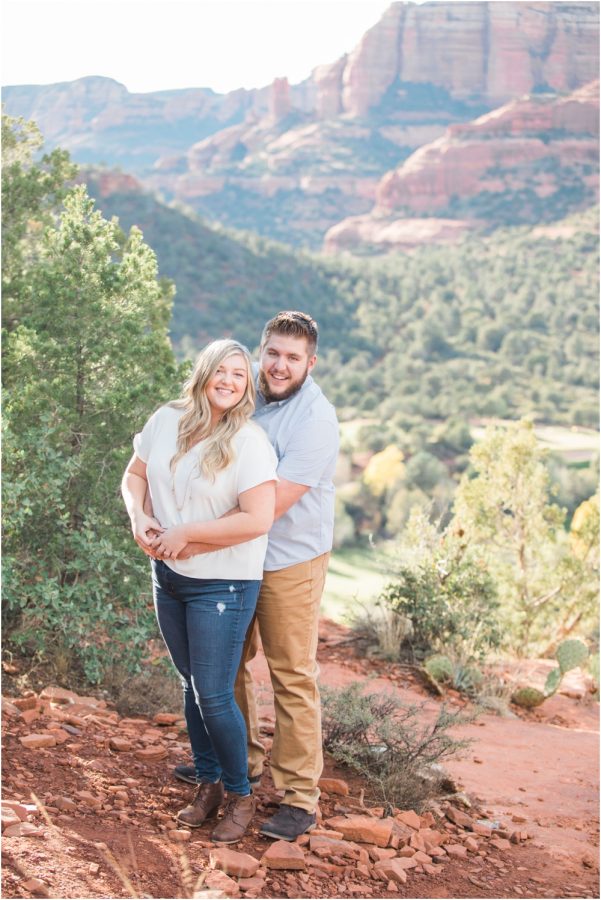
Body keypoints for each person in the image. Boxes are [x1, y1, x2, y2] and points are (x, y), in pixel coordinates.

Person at [173, 311, 340, 841]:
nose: (280, 365)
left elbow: (269, 509)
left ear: (310, 363)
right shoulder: (242, 399)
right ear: (260, 352)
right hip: (234, 559)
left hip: (287, 559)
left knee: (291, 672)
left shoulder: (316, 420)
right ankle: (233, 763)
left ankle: (298, 796)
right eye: (273, 354)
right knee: (225, 666)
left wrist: (191, 536)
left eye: (293, 358)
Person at [121, 339, 278, 844]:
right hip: (168, 577)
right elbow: (134, 476)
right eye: (222, 371)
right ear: (204, 372)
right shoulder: (167, 418)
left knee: (213, 693)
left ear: (247, 384)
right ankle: (207, 785)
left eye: (240, 374)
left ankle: (240, 794)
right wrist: (140, 518)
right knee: (191, 686)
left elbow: (258, 519)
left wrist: (187, 533)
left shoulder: (250, 442)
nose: (230, 381)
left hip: (223, 582)